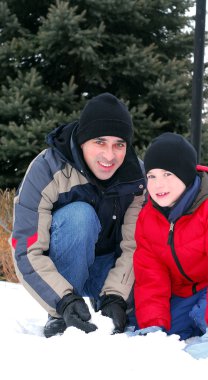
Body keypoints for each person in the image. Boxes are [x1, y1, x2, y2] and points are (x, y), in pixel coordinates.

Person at [11, 92, 146, 338]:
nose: (110, 155)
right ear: (83, 140)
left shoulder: (136, 178)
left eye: (119, 144)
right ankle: (63, 314)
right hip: (63, 268)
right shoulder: (47, 169)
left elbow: (137, 245)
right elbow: (25, 247)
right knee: (79, 217)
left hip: (109, 270)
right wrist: (62, 301)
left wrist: (117, 295)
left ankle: (106, 303)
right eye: (100, 142)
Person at [132, 132, 208, 359]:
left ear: (186, 175)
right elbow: (150, 276)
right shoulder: (148, 218)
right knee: (165, 327)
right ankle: (200, 316)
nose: (159, 185)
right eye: (152, 176)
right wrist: (152, 325)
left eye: (168, 174)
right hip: (188, 293)